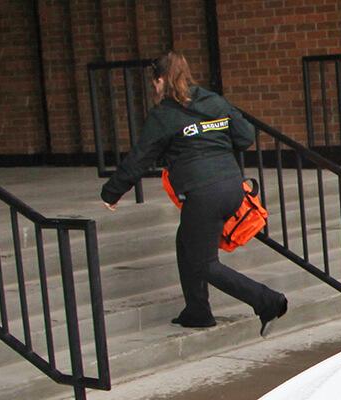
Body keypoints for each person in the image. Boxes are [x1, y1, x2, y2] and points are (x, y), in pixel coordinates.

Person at [99, 52, 288, 335]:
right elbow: (245, 136)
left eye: (155, 83)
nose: (155, 89)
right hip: (232, 186)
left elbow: (140, 157)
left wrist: (111, 192)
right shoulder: (214, 101)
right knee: (185, 240)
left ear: (160, 80)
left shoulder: (163, 115)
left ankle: (269, 301)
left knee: (205, 264)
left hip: (204, 194)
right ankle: (197, 311)